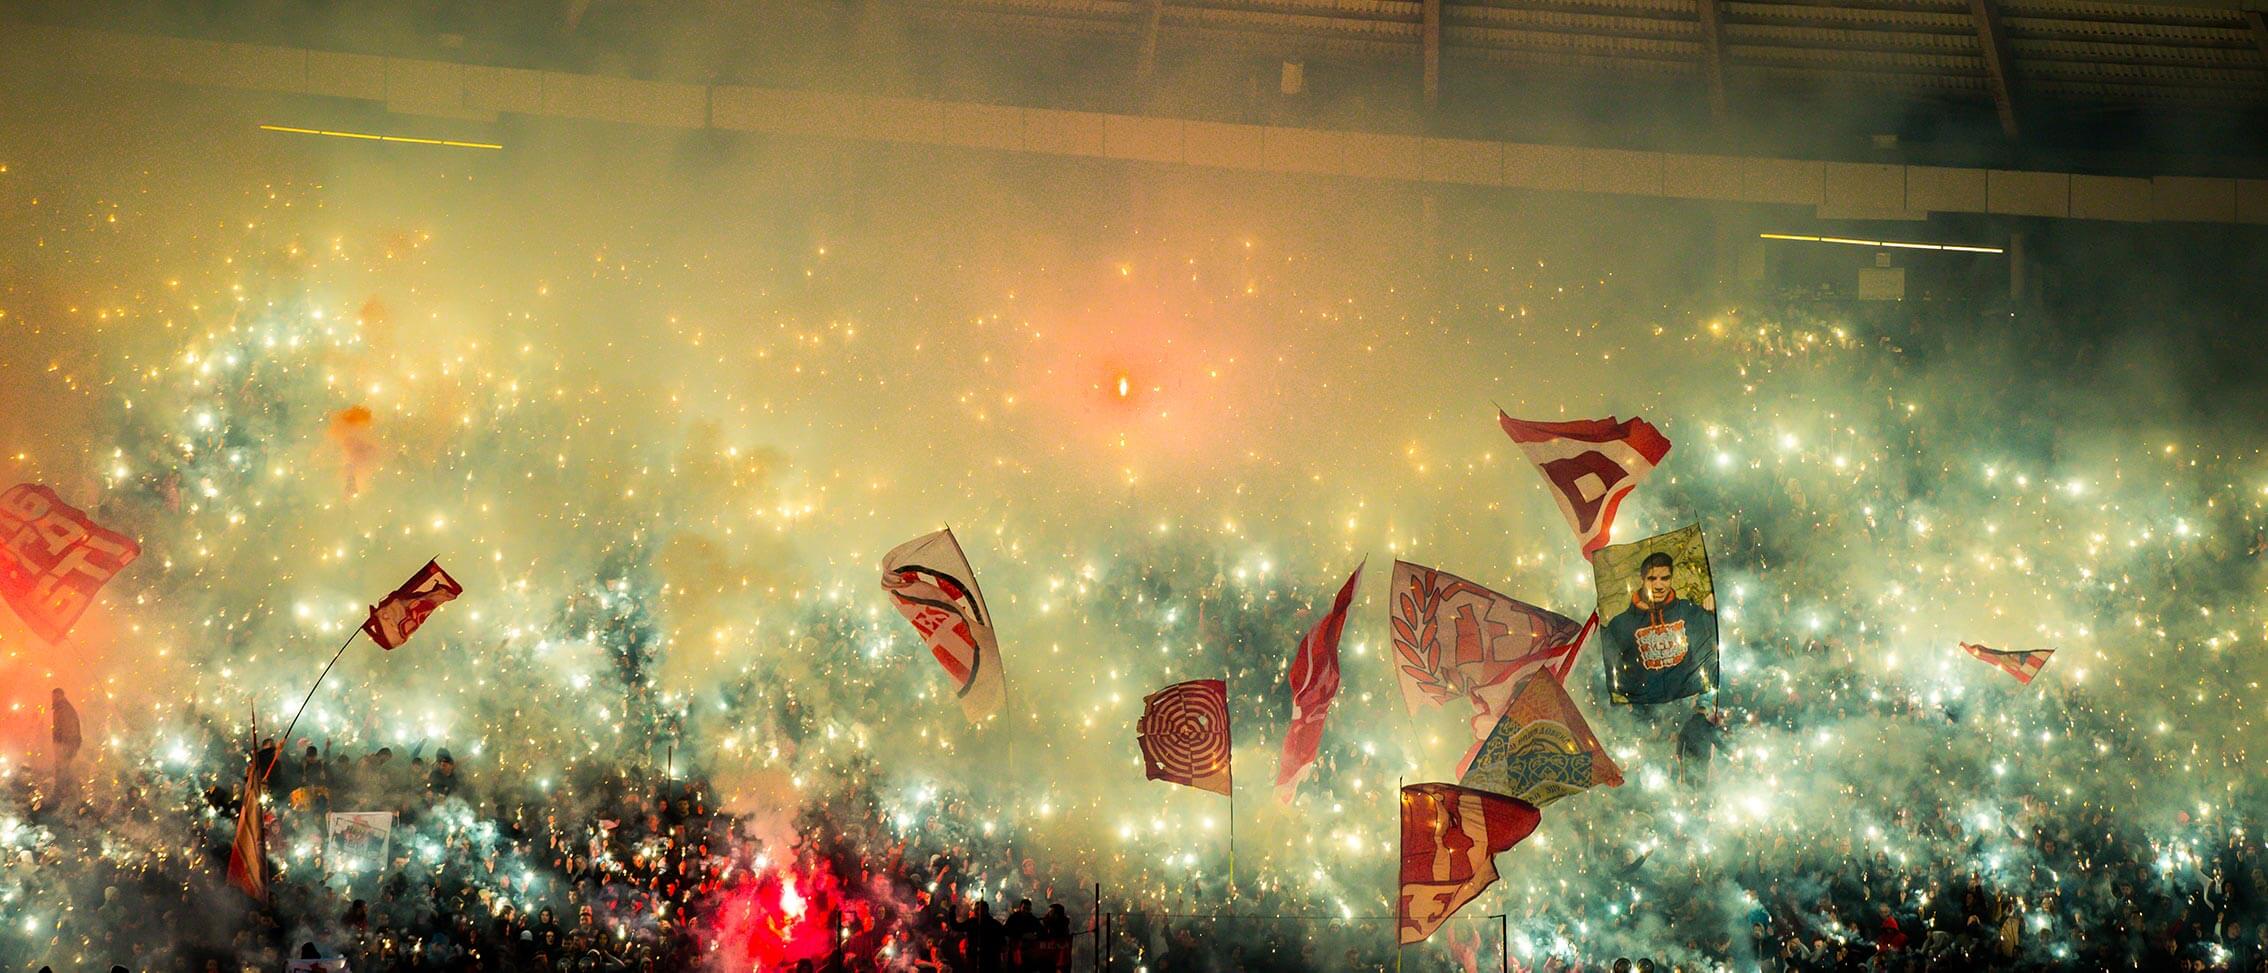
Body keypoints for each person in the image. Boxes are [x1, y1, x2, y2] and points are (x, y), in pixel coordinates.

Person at [1603, 551, 1718, 704]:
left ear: (1671, 578)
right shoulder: (1620, 624)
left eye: (1665, 578)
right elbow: (1608, 670)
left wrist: (1718, 602)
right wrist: (1636, 696)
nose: (1659, 586)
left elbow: (1719, 648)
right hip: (1645, 711)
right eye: (1652, 578)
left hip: (1690, 704)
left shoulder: (1690, 612)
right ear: (1642, 578)